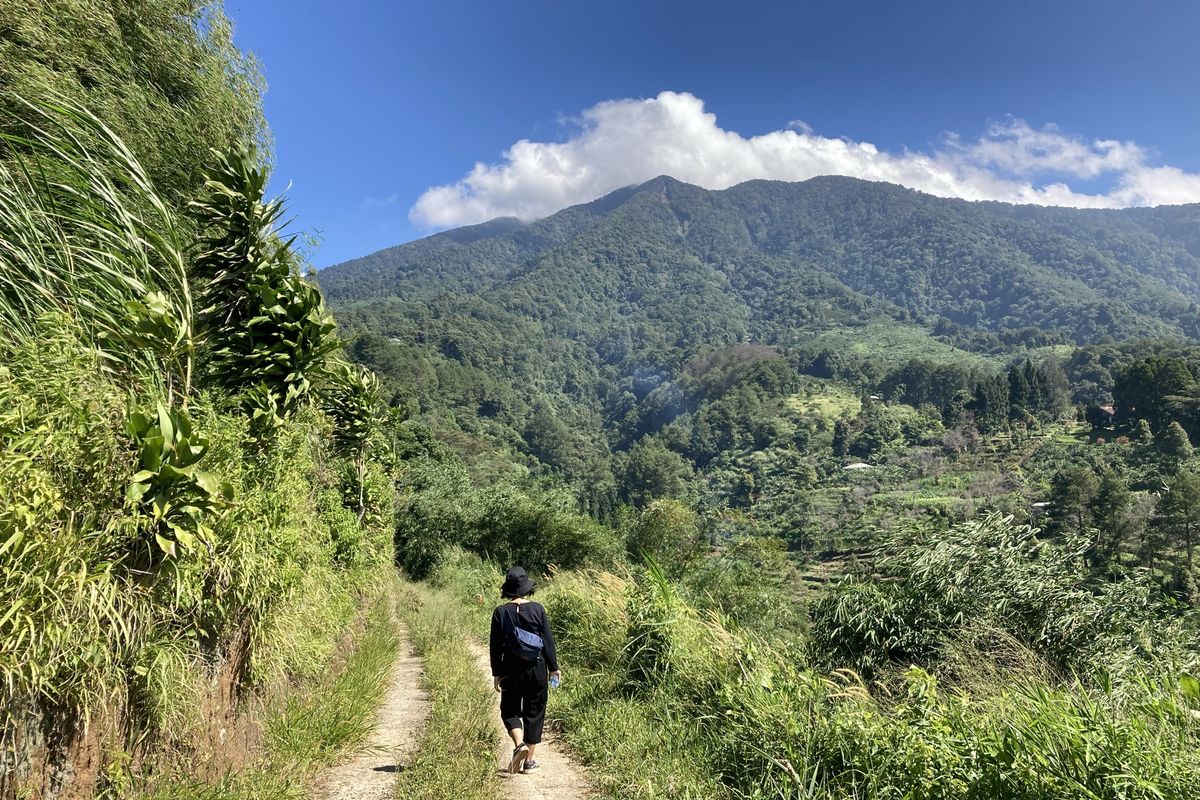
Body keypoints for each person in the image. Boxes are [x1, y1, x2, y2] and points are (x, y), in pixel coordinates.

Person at [489, 566, 561, 775]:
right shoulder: (537, 609)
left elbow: (495, 646)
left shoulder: (500, 612)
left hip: (511, 670)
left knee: (509, 710)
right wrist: (554, 668)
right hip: (537, 667)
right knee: (534, 711)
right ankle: (529, 761)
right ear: (526, 587)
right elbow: (547, 641)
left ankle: (519, 745)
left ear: (508, 589)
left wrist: (497, 673)